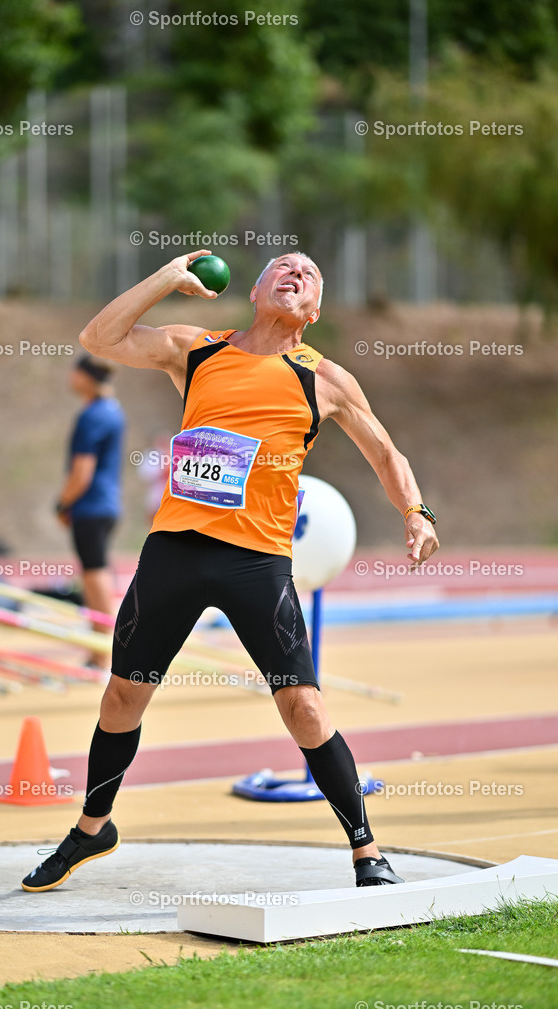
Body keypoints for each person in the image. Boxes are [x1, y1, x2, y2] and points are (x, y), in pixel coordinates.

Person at [22, 250, 439, 893]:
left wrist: (415, 511)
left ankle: (366, 851)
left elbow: (387, 451)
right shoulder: (197, 349)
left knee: (301, 704)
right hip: (176, 548)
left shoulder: (324, 379)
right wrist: (166, 279)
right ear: (254, 289)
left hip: (258, 561)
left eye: (308, 274)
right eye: (282, 266)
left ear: (315, 311)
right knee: (122, 696)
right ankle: (91, 828)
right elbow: (97, 338)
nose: (294, 272)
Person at [56, 354, 125, 671]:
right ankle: (101, 648)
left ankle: (102, 651)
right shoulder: (111, 410)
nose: (70, 377)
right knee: (95, 571)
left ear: (87, 377)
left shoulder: (93, 415)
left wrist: (63, 502)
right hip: (106, 504)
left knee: (94, 573)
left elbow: (82, 471)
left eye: (75, 371)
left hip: (91, 505)